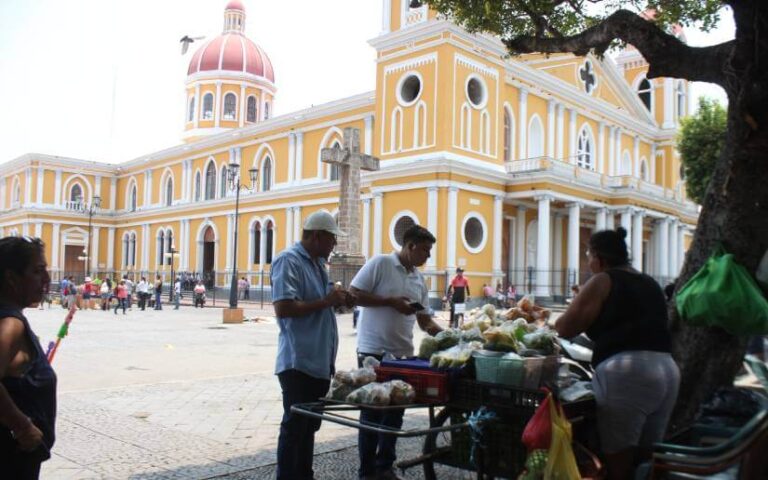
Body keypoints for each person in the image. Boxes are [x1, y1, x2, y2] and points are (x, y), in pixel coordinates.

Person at [555, 227, 679, 480]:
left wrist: (580, 300)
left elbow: (565, 327)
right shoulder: (649, 282)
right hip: (667, 370)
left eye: (589, 256)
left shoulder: (603, 280)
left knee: (619, 464)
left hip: (629, 374)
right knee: (647, 460)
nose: (588, 263)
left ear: (599, 257)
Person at [350, 225, 442, 480]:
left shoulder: (419, 279)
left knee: (395, 413)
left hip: (403, 355)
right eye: (425, 250)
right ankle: (367, 472)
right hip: (373, 352)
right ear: (410, 246)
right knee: (371, 411)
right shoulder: (380, 263)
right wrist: (390, 302)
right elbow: (353, 295)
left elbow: (425, 320)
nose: (428, 255)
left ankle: (385, 467)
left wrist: (449, 337)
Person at [271, 211, 355, 480]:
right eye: (332, 239)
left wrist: (340, 299)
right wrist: (326, 302)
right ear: (317, 237)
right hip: (299, 362)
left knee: (308, 429)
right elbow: (284, 307)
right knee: (295, 427)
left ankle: (304, 475)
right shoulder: (288, 260)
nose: (335, 245)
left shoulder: (318, 264)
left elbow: (324, 300)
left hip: (319, 362)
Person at [0, 236, 56, 479]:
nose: (47, 279)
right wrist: (22, 426)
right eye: (37, 271)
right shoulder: (10, 324)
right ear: (11, 278)